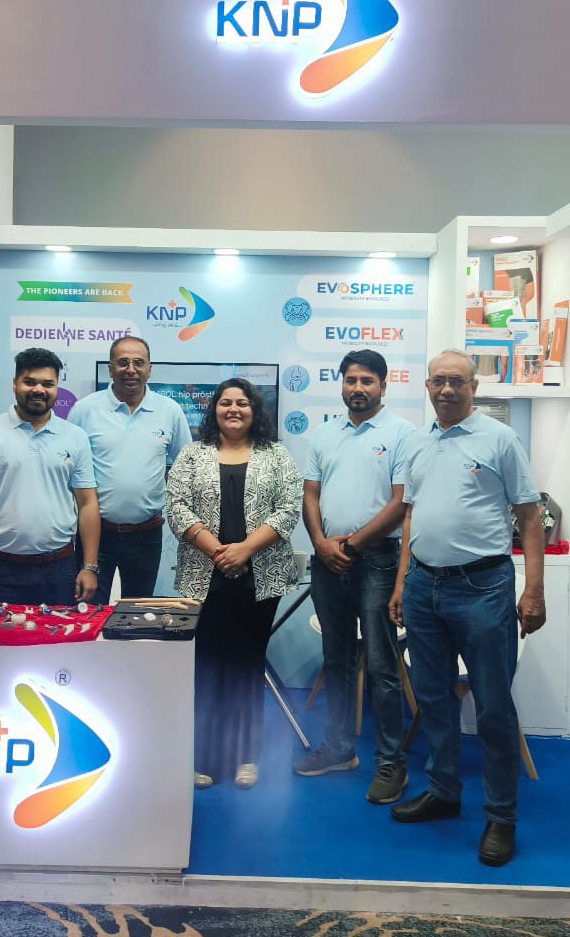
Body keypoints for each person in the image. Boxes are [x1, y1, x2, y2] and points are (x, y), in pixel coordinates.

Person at [388, 349, 545, 867]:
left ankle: (501, 816)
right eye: (439, 381)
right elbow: (411, 517)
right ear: (427, 387)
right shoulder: (419, 442)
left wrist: (534, 590)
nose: (447, 389)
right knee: (434, 698)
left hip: (483, 588)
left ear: (473, 388)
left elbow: (529, 517)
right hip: (423, 587)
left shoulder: (500, 439)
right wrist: (402, 582)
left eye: (457, 381)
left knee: (494, 707)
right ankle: (444, 791)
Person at [166, 377, 302, 790]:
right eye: (226, 402)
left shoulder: (276, 455)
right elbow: (176, 507)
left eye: (242, 402)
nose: (234, 409)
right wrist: (219, 552)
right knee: (207, 667)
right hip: (202, 577)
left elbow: (288, 509)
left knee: (246, 666)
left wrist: (243, 550)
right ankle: (204, 757)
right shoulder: (192, 455)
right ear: (215, 410)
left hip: (260, 577)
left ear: (254, 410)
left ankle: (246, 756)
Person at [292, 349, 413, 804]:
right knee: (337, 660)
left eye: (367, 381)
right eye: (350, 380)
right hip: (328, 559)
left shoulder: (402, 434)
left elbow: (401, 504)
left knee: (381, 665)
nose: (358, 388)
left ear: (383, 385)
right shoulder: (325, 434)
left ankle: (391, 763)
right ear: (341, 384)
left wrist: (353, 544)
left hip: (377, 560)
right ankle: (339, 749)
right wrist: (321, 543)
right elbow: (310, 494)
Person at [0, 348, 100, 605]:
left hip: (60, 569)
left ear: (56, 387)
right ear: (15, 384)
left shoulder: (75, 437)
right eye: (29, 382)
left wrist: (89, 566)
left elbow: (87, 503)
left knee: (61, 632)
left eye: (48, 384)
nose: (38, 390)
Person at [67, 335, 191, 602]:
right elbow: (69, 472)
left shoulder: (169, 411)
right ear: (111, 369)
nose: (131, 370)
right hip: (95, 534)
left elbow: (184, 467)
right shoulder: (84, 410)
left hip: (146, 534)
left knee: (137, 610)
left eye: (138, 362)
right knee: (89, 609)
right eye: (123, 362)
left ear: (149, 369)